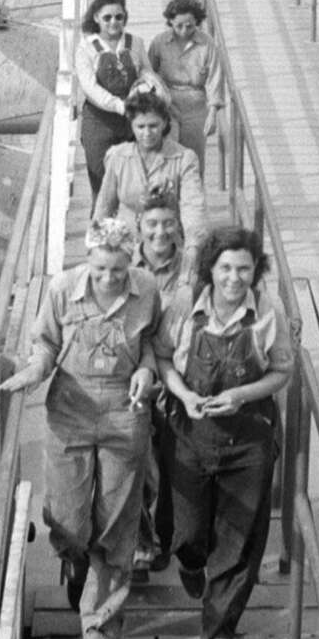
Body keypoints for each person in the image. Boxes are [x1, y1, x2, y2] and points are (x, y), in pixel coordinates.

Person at [0, 218, 160, 639]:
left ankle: (101, 626)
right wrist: (34, 370)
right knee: (66, 516)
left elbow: (150, 344)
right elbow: (45, 344)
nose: (109, 278)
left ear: (132, 261)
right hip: (69, 408)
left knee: (116, 520)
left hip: (124, 412)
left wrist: (146, 370)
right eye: (101, 268)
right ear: (88, 259)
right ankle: (75, 559)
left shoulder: (146, 290)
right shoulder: (61, 289)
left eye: (118, 269)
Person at [153, 226, 294, 639]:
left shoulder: (268, 312)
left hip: (247, 435)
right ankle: (191, 563)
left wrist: (240, 395)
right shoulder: (183, 306)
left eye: (245, 269)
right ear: (211, 269)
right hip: (189, 432)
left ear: (256, 271)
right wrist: (183, 394)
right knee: (187, 531)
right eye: (226, 268)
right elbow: (160, 356)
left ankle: (221, 629)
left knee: (238, 537)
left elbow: (281, 371)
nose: (235, 278)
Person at [130, 185, 187, 580]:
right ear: (139, 226)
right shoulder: (122, 265)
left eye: (168, 223)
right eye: (152, 223)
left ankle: (164, 538)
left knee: (170, 466)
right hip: (132, 374)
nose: (160, 232)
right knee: (137, 465)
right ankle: (137, 544)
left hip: (176, 375)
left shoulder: (193, 269)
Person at [91, 89, 206, 279]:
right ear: (132, 126)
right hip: (124, 245)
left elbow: (193, 208)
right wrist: (96, 252)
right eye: (140, 126)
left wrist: (193, 249)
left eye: (153, 125)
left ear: (164, 124)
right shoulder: (117, 156)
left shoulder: (184, 159)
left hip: (164, 240)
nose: (147, 133)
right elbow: (104, 207)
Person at [75, 0, 167, 198]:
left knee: (137, 180)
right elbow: (90, 88)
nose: (113, 22)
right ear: (96, 18)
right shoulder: (86, 48)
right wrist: (119, 105)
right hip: (100, 121)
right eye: (107, 17)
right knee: (102, 183)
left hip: (134, 121)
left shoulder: (135, 43)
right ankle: (102, 227)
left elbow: (146, 69)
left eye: (119, 16)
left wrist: (146, 84)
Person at [147, 0, 225, 177]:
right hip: (167, 103)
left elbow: (215, 78)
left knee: (194, 157)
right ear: (170, 22)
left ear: (197, 22)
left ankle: (193, 199)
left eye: (190, 26)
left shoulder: (207, 44)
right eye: (179, 26)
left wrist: (213, 112)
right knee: (168, 154)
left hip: (196, 105)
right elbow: (148, 73)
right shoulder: (160, 42)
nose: (184, 30)